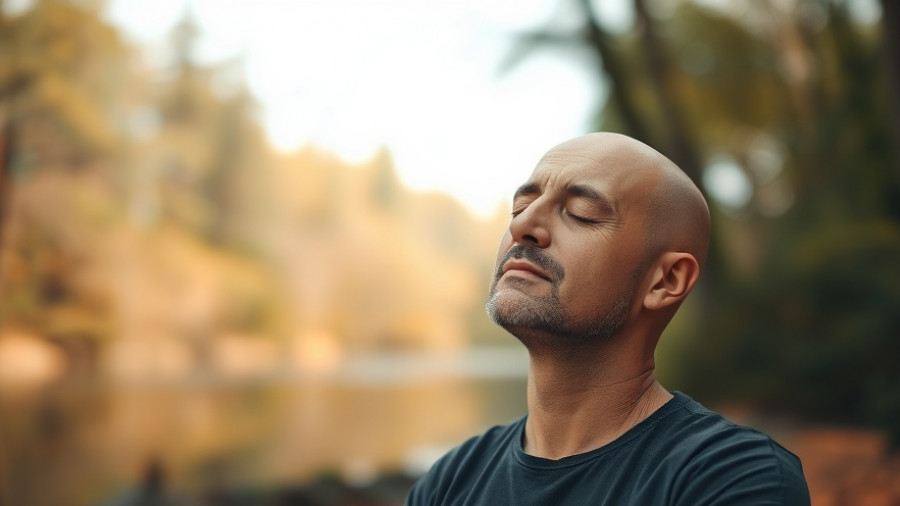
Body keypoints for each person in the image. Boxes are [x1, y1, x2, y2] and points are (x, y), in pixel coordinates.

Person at [405, 132, 809, 505]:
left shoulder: (731, 478)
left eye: (581, 213)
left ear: (665, 281)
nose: (522, 225)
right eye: (522, 206)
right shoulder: (450, 482)